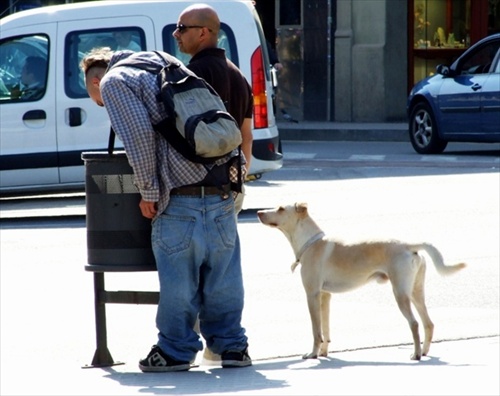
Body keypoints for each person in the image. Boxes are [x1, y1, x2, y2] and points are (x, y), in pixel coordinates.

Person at [81, 47, 251, 372]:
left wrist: (148, 192)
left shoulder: (115, 81)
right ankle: (233, 348)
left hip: (179, 197)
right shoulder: (163, 61)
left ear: (96, 80)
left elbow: (140, 139)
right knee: (224, 278)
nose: (102, 103)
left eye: (97, 98)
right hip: (221, 186)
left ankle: (175, 350)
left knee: (179, 283)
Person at [173, 3, 253, 215]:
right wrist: (239, 180)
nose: (175, 34)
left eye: (181, 28)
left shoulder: (192, 75)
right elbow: (247, 136)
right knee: (228, 247)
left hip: (202, 190)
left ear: (203, 32)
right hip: (233, 185)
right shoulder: (239, 75)